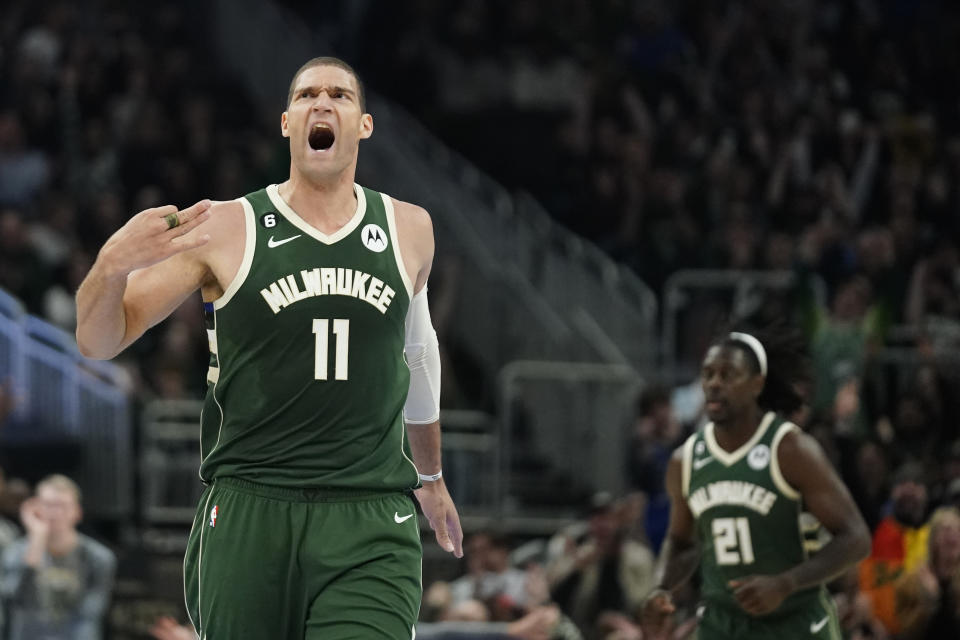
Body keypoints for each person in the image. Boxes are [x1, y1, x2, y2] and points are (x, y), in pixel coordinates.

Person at [75, 56, 463, 638]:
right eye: (308, 95)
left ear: (364, 124)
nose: (323, 104)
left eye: (340, 95)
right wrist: (111, 266)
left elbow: (419, 351)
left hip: (370, 512)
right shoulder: (224, 226)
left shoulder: (410, 227)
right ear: (287, 122)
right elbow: (99, 339)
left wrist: (430, 477)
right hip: (250, 508)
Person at [642, 327, 871, 639]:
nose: (714, 384)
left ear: (756, 384)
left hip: (795, 624)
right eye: (708, 374)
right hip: (722, 626)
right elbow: (682, 544)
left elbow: (856, 538)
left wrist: (786, 583)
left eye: (728, 374)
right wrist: (662, 588)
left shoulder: (791, 449)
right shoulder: (686, 460)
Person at [0, 474, 116, 640]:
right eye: (48, 505)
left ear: (78, 512)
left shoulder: (99, 558)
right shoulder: (14, 552)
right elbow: (14, 600)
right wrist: (36, 542)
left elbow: (90, 615)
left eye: (62, 505)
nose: (55, 513)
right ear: (35, 508)